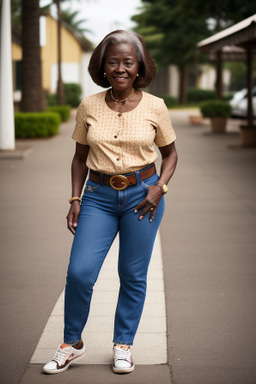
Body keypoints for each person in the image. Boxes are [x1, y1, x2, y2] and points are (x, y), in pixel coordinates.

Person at [43, 30, 178, 375]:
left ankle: (123, 345)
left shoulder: (155, 107)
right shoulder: (88, 106)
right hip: (97, 198)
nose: (120, 68)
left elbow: (171, 154)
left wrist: (158, 188)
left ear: (139, 68)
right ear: (103, 66)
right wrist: (75, 198)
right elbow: (78, 158)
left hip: (143, 196)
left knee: (132, 274)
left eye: (127, 62)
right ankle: (72, 343)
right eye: (113, 61)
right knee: (79, 272)